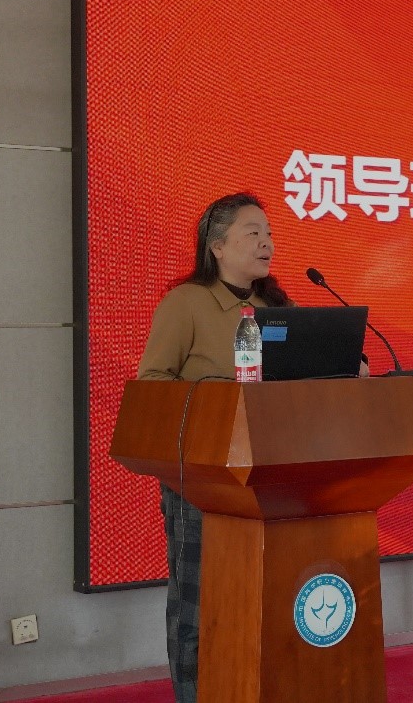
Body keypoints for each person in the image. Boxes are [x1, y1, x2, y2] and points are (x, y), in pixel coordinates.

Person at [137, 192, 291, 703]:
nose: (267, 242)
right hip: (201, 477)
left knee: (262, 598)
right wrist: (215, 397)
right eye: (254, 232)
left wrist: (343, 366)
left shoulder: (276, 309)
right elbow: (152, 384)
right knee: (198, 604)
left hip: (269, 475)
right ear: (217, 246)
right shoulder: (186, 303)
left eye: (269, 233)